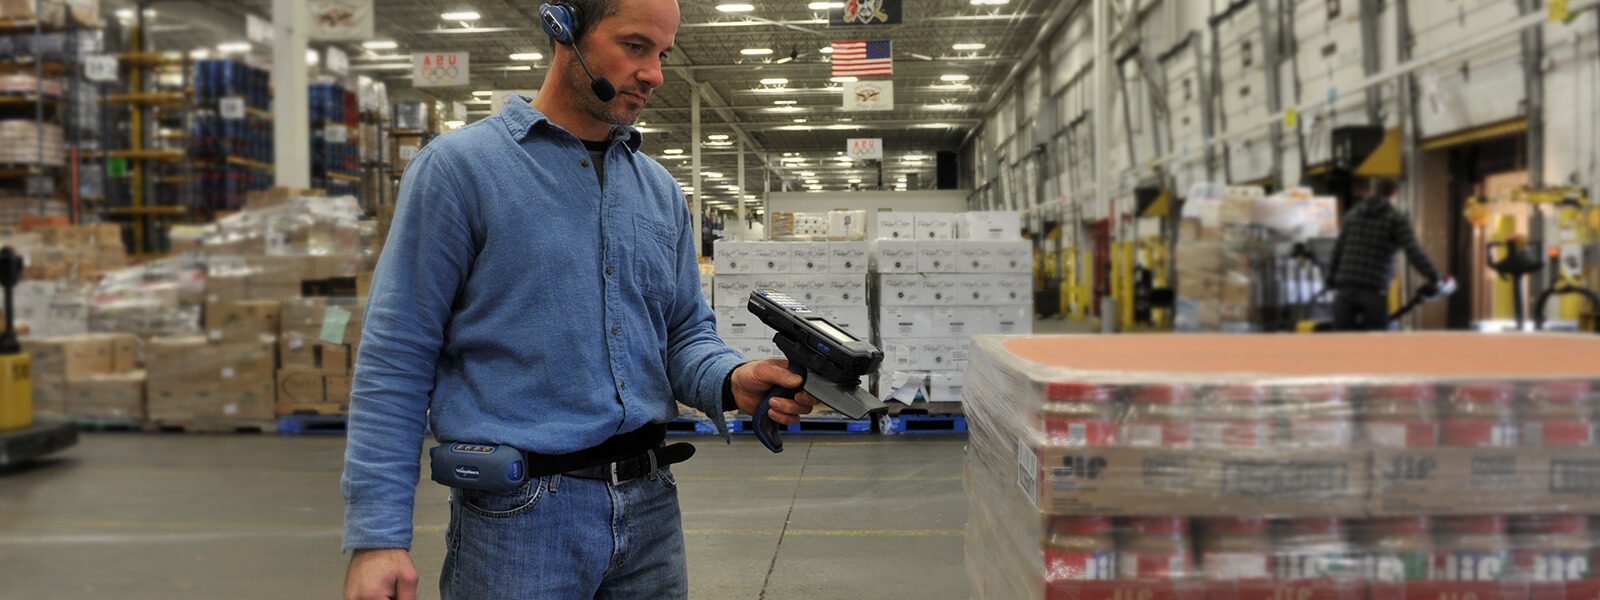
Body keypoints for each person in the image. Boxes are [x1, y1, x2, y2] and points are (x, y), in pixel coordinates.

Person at [339, 1, 819, 598]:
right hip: (519, 522)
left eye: (662, 54)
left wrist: (732, 379)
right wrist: (378, 536)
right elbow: (396, 357)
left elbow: (683, 333)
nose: (654, 74)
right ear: (563, 30)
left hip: (651, 512)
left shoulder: (659, 191)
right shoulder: (460, 171)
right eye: (635, 46)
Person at [1326, 179, 1443, 331]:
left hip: (1345, 290)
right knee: (1376, 339)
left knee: (1341, 339)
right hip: (1373, 290)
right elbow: (1414, 252)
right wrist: (1435, 276)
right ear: (1395, 194)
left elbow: (1337, 250)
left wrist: (1330, 279)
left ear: (1373, 192)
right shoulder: (1396, 218)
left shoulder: (1352, 214)